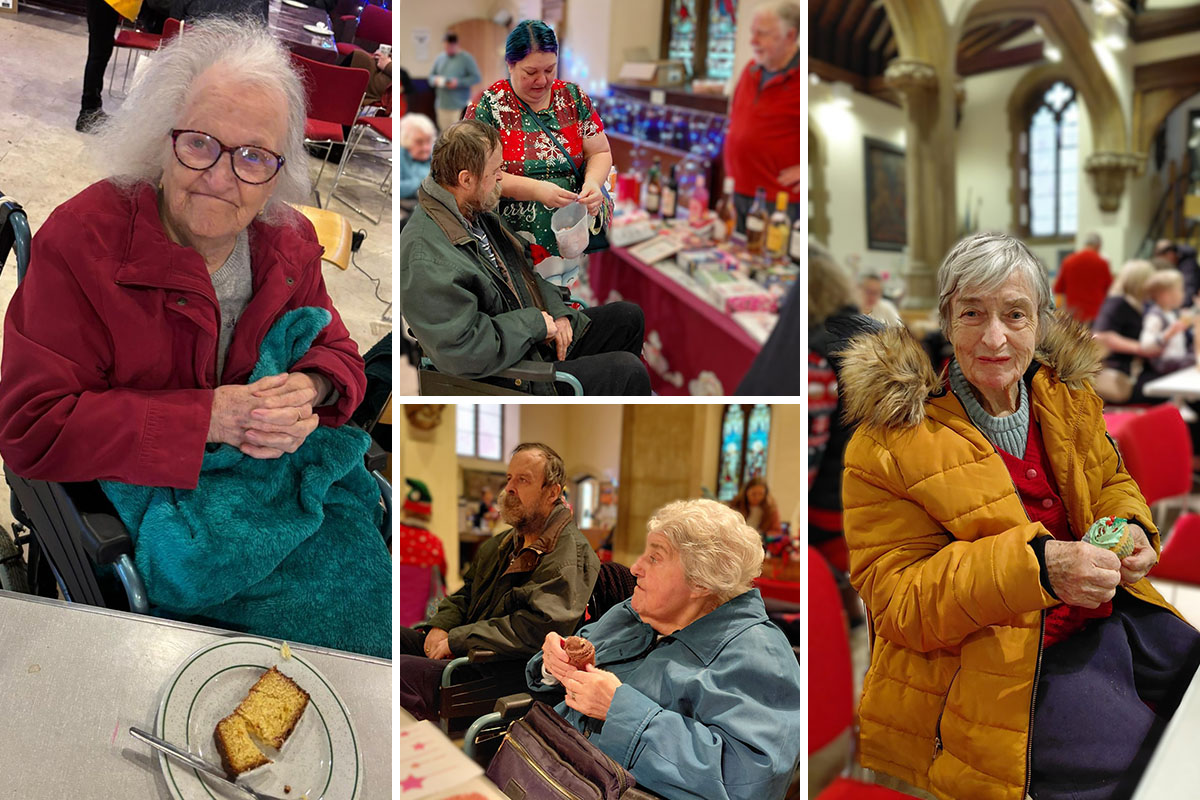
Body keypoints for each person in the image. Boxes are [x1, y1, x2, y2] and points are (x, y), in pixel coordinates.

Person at [0, 21, 388, 655]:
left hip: (259, 495)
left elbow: (337, 351)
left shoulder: (286, 241)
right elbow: (29, 426)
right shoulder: (82, 243)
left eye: (254, 156)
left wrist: (310, 387)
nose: (222, 176)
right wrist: (206, 418)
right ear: (161, 139)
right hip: (161, 517)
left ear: (278, 170)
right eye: (200, 143)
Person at [838, 231, 1200, 800]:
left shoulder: (1064, 396)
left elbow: (1111, 479)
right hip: (992, 671)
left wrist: (1130, 525)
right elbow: (899, 602)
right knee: (1145, 775)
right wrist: (1039, 569)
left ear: (1040, 320)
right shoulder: (890, 443)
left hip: (1107, 615)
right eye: (973, 313)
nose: (994, 337)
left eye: (1014, 314)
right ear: (945, 320)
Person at [528, 499, 801, 800]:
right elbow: (563, 668)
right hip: (544, 768)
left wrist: (617, 708)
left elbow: (750, 782)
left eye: (655, 558)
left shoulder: (760, 656)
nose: (635, 568)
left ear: (700, 582)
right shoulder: (634, 612)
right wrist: (553, 664)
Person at [399, 120, 650, 395]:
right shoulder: (426, 257)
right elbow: (463, 350)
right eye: (495, 171)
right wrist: (535, 324)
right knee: (628, 371)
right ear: (466, 179)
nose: (501, 178)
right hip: (507, 372)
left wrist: (559, 314)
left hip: (528, 339)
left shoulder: (473, 210)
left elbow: (525, 271)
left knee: (629, 317)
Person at [400, 443, 600, 720]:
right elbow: (466, 592)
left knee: (397, 672)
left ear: (552, 492)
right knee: (389, 636)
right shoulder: (505, 543)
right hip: (469, 651)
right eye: (509, 479)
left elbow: (535, 628)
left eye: (523, 480)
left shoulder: (569, 554)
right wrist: (441, 626)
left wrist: (458, 640)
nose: (510, 488)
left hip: (502, 672)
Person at [465, 20, 613, 274]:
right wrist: (535, 189)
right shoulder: (489, 105)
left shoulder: (573, 98)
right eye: (530, 72)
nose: (542, 81)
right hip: (511, 239)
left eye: (550, 70)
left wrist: (592, 183)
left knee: (568, 299)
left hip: (570, 234)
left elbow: (599, 152)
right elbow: (478, 175)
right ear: (510, 65)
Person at [723, 1, 800, 233]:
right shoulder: (750, 70)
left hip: (777, 202)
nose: (752, 41)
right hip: (737, 191)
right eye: (752, 32)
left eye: (762, 34)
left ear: (790, 36)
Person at [1093, 259, 1160, 404]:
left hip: (1137, 369)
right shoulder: (1117, 303)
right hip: (1123, 373)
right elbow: (1101, 337)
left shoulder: (1141, 305)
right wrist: (1141, 349)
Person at [1140, 269, 1195, 377]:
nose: (1183, 294)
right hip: (1164, 363)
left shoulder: (1172, 313)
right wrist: (1169, 333)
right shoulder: (1155, 316)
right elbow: (1146, 345)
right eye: (1180, 290)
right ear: (1165, 295)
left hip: (1177, 359)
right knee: (1193, 360)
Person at [1053, 232, 1111, 325]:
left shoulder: (1068, 261)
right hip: (1095, 315)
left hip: (1074, 314)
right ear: (1099, 246)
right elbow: (1109, 289)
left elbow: (1058, 288)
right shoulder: (1102, 263)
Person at [429, 31, 482, 132]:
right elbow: (431, 77)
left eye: (450, 47)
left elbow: (476, 77)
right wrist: (435, 80)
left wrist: (459, 82)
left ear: (456, 45)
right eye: (445, 48)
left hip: (459, 106)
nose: (447, 50)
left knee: (458, 134)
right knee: (444, 134)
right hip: (442, 105)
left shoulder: (466, 58)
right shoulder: (440, 58)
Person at [398, 112, 435, 200]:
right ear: (406, 141)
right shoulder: (400, 156)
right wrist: (421, 181)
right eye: (419, 142)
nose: (426, 148)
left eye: (428, 141)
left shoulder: (437, 153)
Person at [1154, 238, 1200, 305]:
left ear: (1170, 254)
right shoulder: (1179, 263)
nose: (1164, 263)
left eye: (1164, 259)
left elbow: (1189, 290)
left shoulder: (1188, 266)